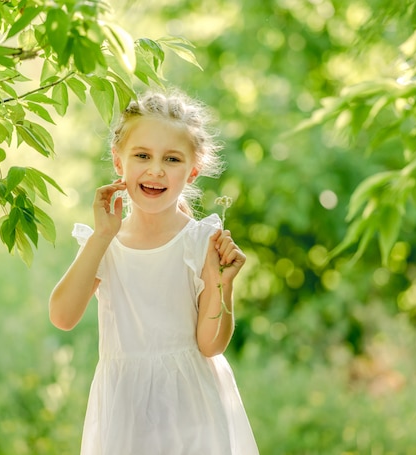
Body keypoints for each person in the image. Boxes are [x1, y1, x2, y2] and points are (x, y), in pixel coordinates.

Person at [49, 90, 259, 455]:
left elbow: (211, 344)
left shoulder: (200, 242)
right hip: (125, 410)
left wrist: (222, 285)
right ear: (119, 162)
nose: (156, 169)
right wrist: (101, 235)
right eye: (142, 155)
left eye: (172, 159)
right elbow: (62, 316)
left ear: (193, 170)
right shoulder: (105, 242)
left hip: (191, 409)